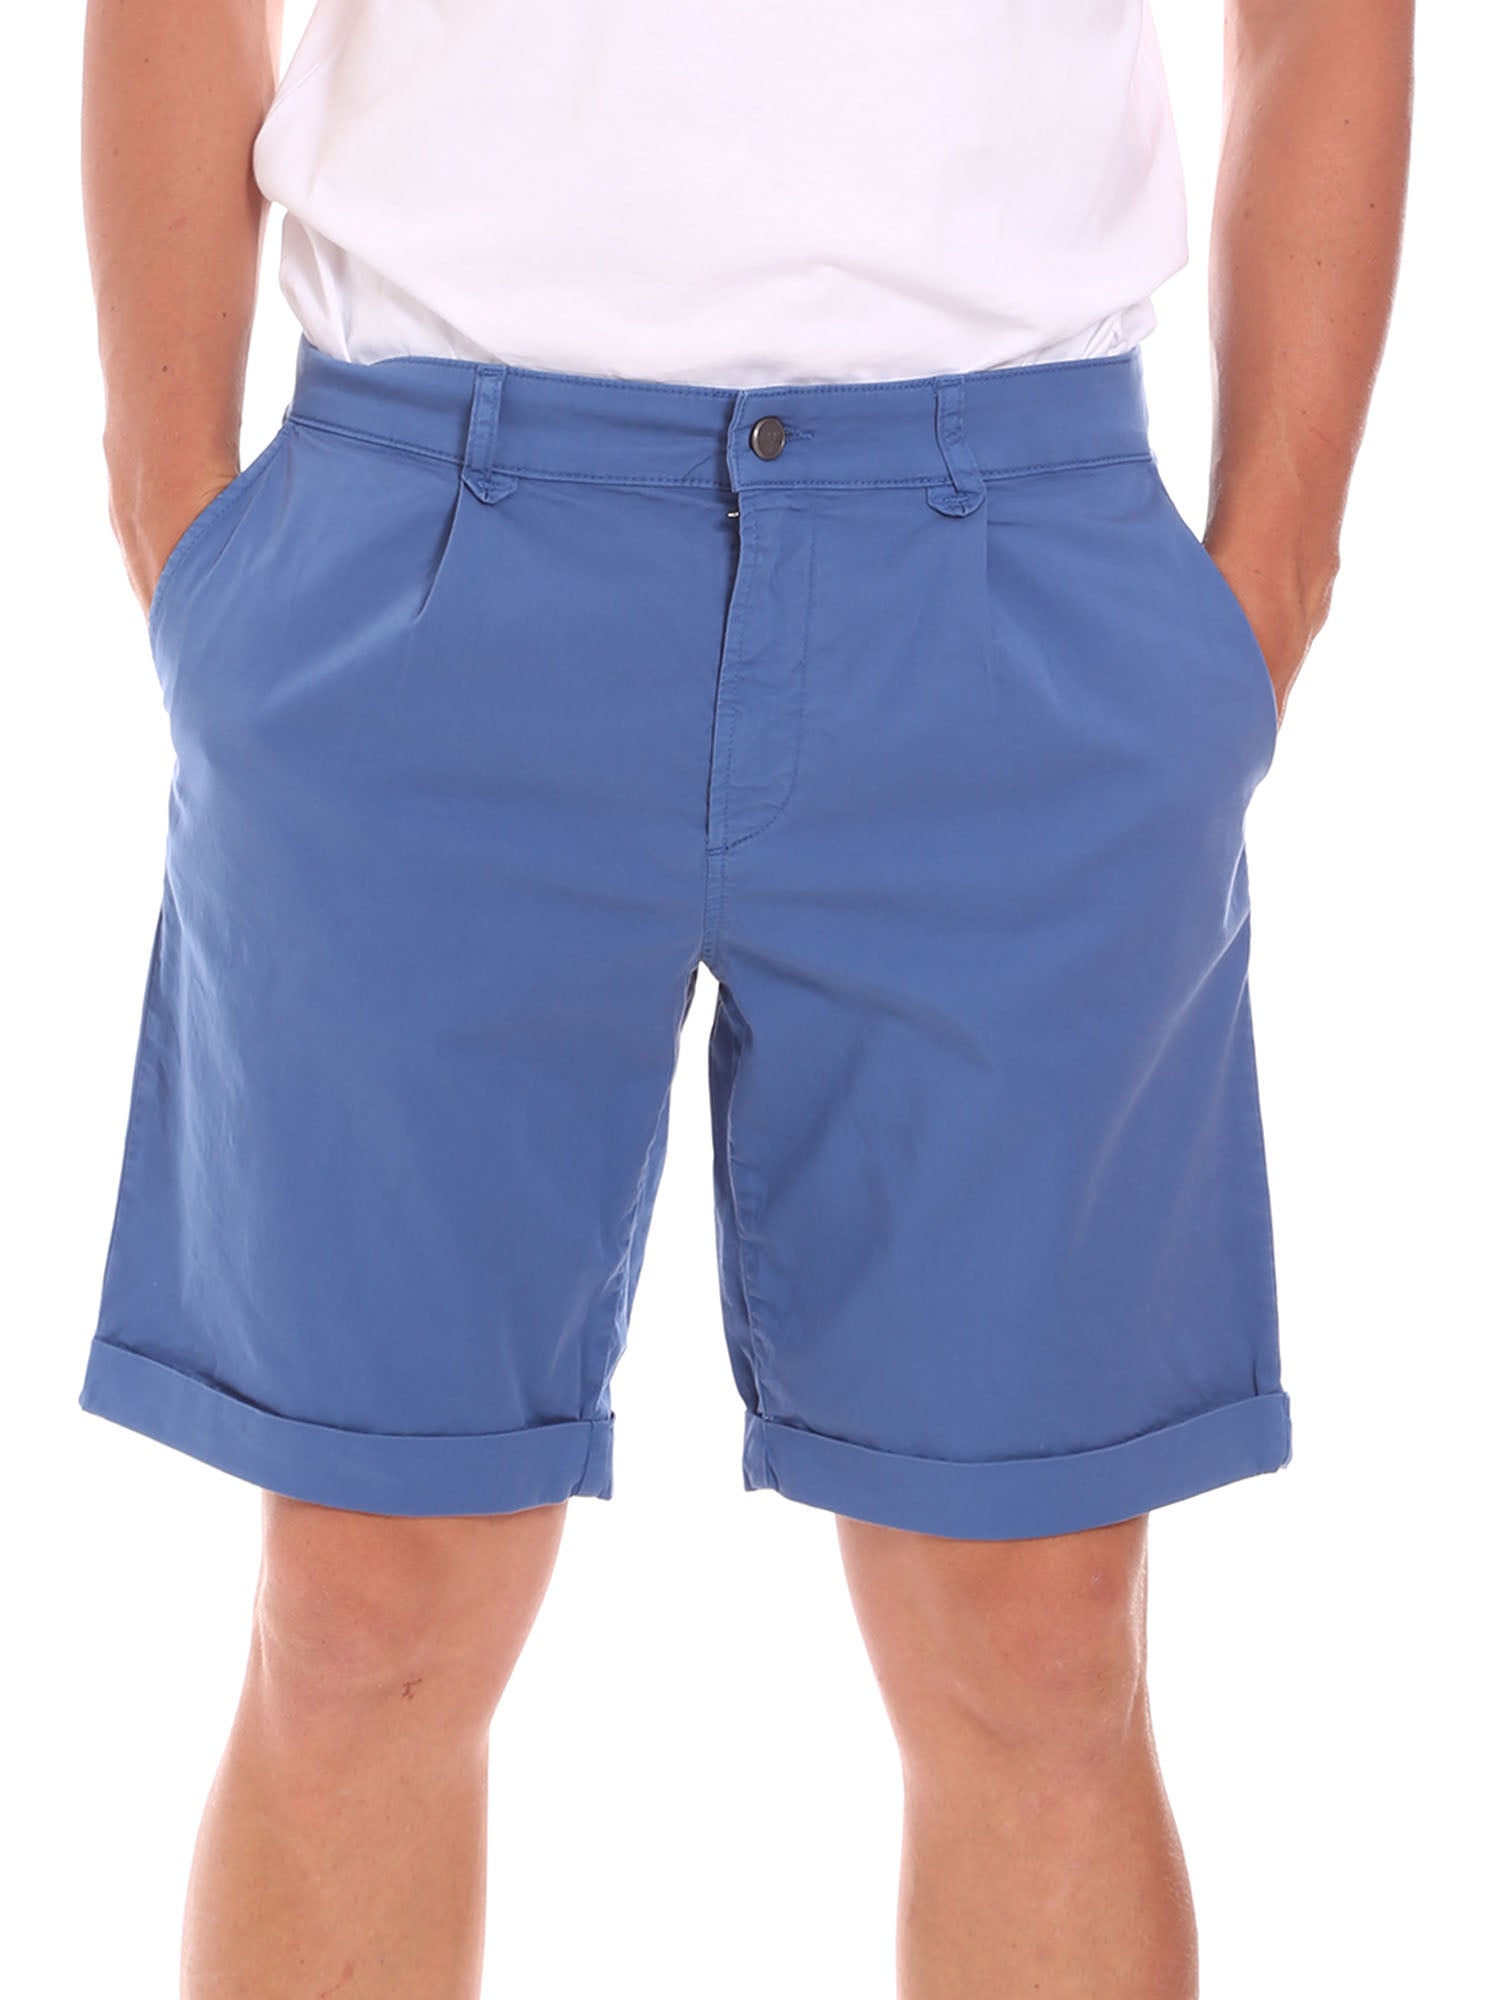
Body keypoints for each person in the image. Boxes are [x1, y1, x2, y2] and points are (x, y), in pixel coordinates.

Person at [77, 2, 1412, 1994]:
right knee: (363, 1613)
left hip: (1007, 577)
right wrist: (172, 506)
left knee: (1038, 1636)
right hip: (427, 558)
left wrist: (1275, 565)